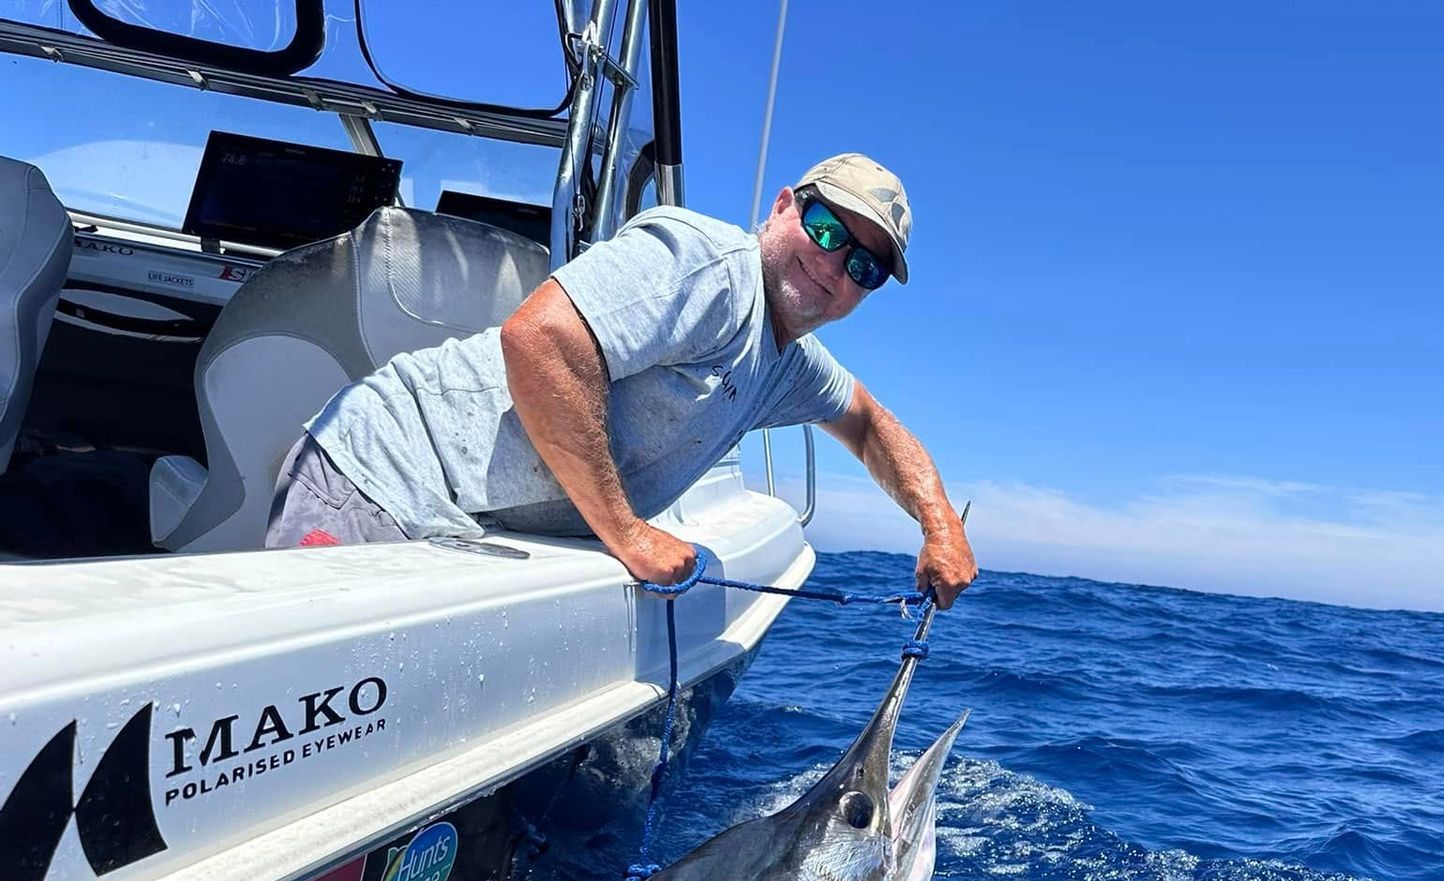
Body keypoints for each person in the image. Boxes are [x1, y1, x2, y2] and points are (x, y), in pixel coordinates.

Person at [264, 153, 977, 608]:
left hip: (461, 534)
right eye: (827, 228)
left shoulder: (785, 358)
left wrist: (940, 525)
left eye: (865, 265)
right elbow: (539, 341)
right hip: (382, 485)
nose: (834, 263)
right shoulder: (711, 267)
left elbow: (869, 423)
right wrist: (630, 535)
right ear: (784, 206)